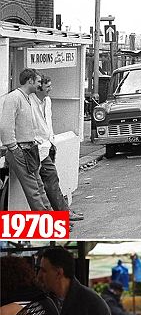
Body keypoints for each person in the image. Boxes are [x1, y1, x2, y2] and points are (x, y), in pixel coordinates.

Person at [31, 74, 84, 220]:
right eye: (48, 87)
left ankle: (62, 215)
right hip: (35, 147)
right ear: (39, 87)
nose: (51, 89)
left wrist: (51, 140)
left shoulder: (47, 101)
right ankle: (61, 216)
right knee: (47, 183)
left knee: (49, 182)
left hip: (47, 146)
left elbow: (48, 123)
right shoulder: (29, 102)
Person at [0, 68, 49, 210]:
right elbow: (5, 126)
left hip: (29, 148)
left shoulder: (26, 98)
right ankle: (47, 224)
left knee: (39, 186)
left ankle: (51, 219)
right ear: (30, 81)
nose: (40, 85)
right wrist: (14, 148)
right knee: (33, 189)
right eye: (38, 81)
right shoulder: (14, 97)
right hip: (21, 149)